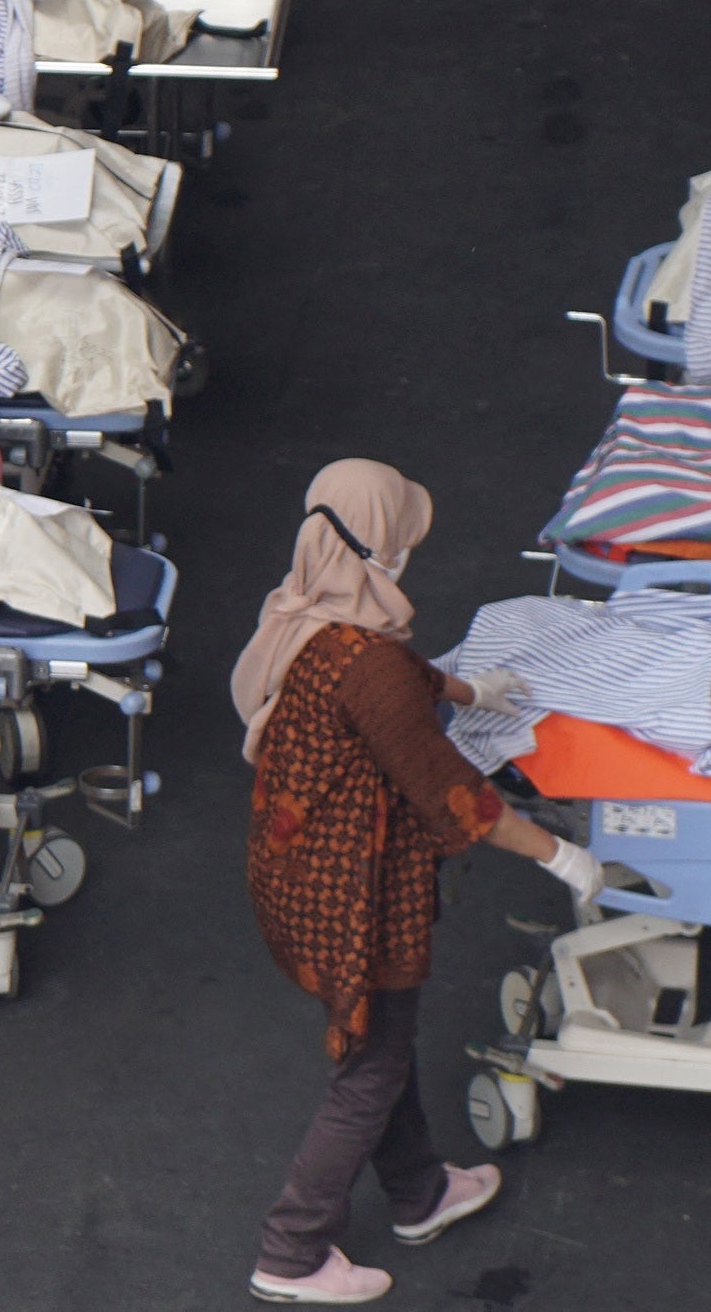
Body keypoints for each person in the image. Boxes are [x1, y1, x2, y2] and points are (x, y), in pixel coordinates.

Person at [230, 459, 607, 1306]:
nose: (406, 556)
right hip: (352, 897)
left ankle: (420, 1192)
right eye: (401, 541)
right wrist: (561, 855)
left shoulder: (303, 614)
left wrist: (472, 685)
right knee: (368, 1068)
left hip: (291, 872)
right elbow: (455, 797)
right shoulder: (368, 662)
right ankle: (290, 1250)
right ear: (378, 552)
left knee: (381, 1045)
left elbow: (396, 678)